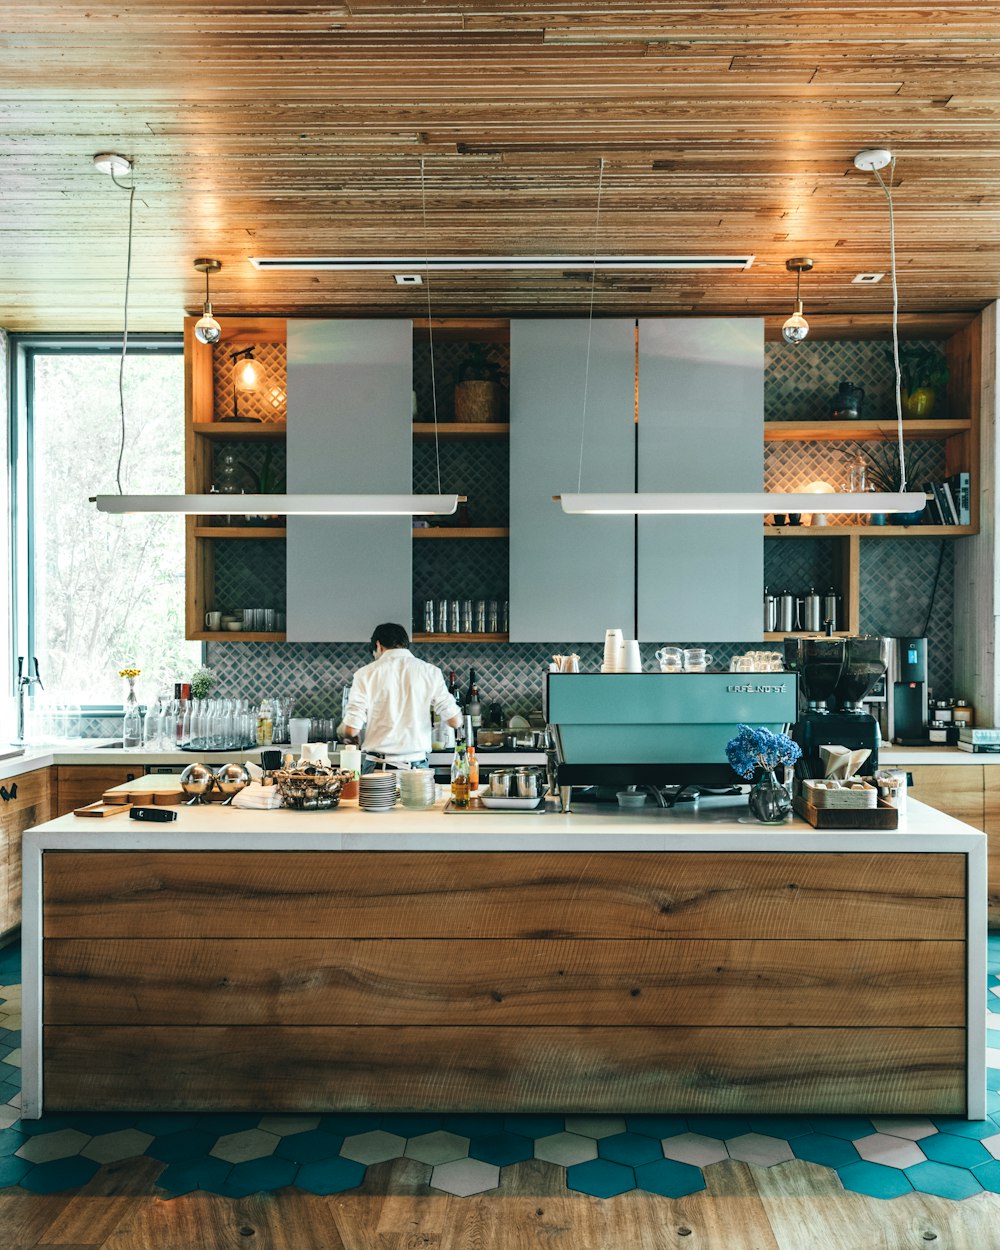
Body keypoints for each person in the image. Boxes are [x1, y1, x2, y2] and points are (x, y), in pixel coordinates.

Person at [340, 623, 463, 772]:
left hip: (378, 768)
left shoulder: (365, 674)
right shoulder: (430, 672)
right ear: (405, 644)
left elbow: (352, 729)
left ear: (378, 645)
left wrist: (344, 731)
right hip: (417, 769)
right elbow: (455, 720)